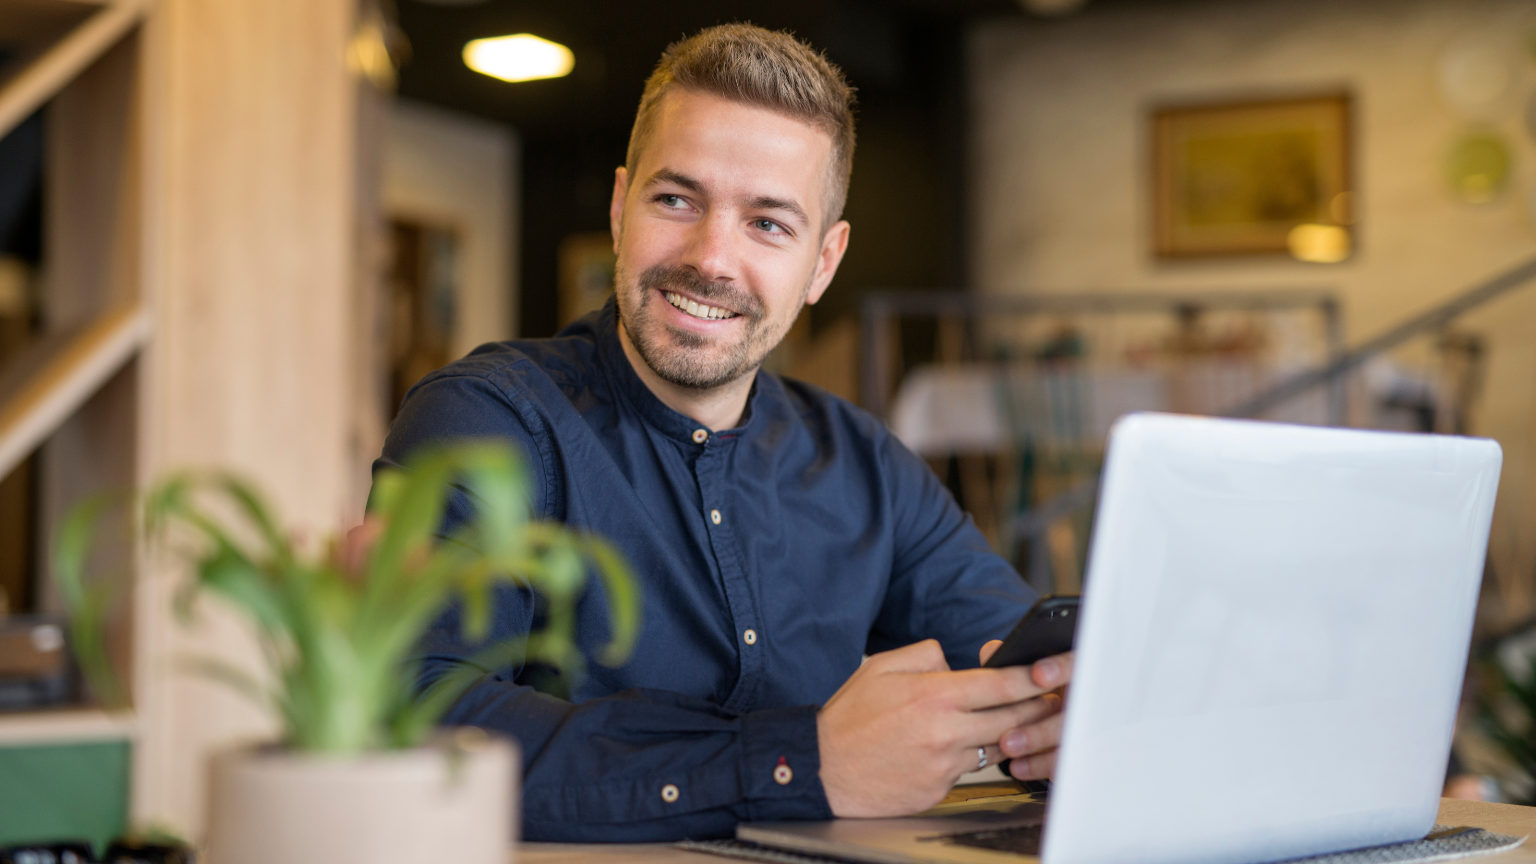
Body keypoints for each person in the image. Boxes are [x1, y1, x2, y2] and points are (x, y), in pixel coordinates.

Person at [375, 23, 1073, 842]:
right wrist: (796, 761)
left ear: (823, 263)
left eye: (769, 224)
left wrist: (1056, 718)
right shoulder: (486, 421)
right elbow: (421, 716)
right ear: (618, 206)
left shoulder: (865, 464)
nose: (712, 258)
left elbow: (1021, 656)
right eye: (677, 199)